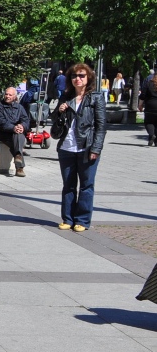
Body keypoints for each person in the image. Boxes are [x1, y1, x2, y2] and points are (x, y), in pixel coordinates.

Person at [50, 62, 105, 232]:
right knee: (68, 185)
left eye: (82, 75)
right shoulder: (66, 96)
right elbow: (54, 120)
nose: (77, 79)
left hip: (87, 147)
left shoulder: (96, 97)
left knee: (87, 185)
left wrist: (96, 149)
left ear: (88, 78)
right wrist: (59, 111)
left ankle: (82, 220)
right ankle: (67, 218)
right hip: (67, 147)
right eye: (74, 76)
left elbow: (101, 126)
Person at [0, 86, 30, 177]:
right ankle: (19, 167)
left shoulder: (19, 107)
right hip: (4, 133)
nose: (7, 96)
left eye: (10, 95)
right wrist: (13, 128)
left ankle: (17, 156)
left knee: (18, 134)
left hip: (16, 133)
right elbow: (1, 122)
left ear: (14, 97)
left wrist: (22, 126)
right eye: (6, 94)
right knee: (17, 138)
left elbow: (26, 120)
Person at [140, 70, 157, 146]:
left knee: (148, 122)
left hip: (150, 105)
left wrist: (140, 105)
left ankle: (151, 134)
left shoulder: (149, 82)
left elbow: (143, 94)